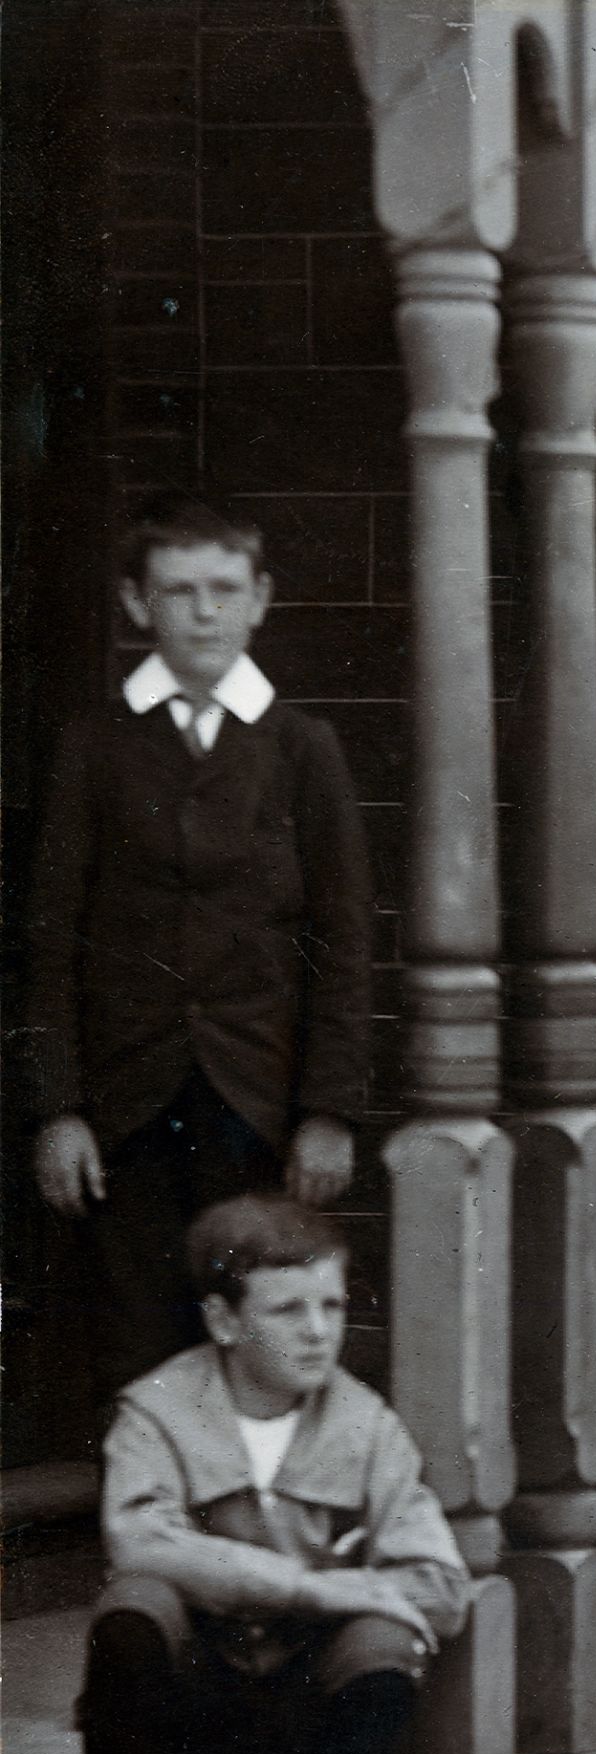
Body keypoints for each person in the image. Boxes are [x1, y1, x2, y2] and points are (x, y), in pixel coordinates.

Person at [78, 1196, 458, 1754]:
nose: (319, 1330)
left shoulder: (366, 1426)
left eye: (330, 1305)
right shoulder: (158, 1411)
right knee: (133, 1613)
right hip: (186, 1712)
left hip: (302, 1714)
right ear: (221, 1318)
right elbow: (140, 1541)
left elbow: (437, 1578)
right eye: (288, 1309)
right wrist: (311, 1585)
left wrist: (363, 1603)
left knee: (387, 1640)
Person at [28, 500, 373, 1403]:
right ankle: (146, 1533)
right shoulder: (94, 746)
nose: (205, 612)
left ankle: (249, 1534)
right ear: (139, 605)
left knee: (259, 1321)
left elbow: (342, 939)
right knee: (137, 1333)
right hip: (127, 1100)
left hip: (254, 1097)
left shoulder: (301, 748)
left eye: (225, 589)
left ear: (260, 600)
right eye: (179, 592)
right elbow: (48, 937)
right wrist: (57, 1107)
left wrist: (328, 1109)